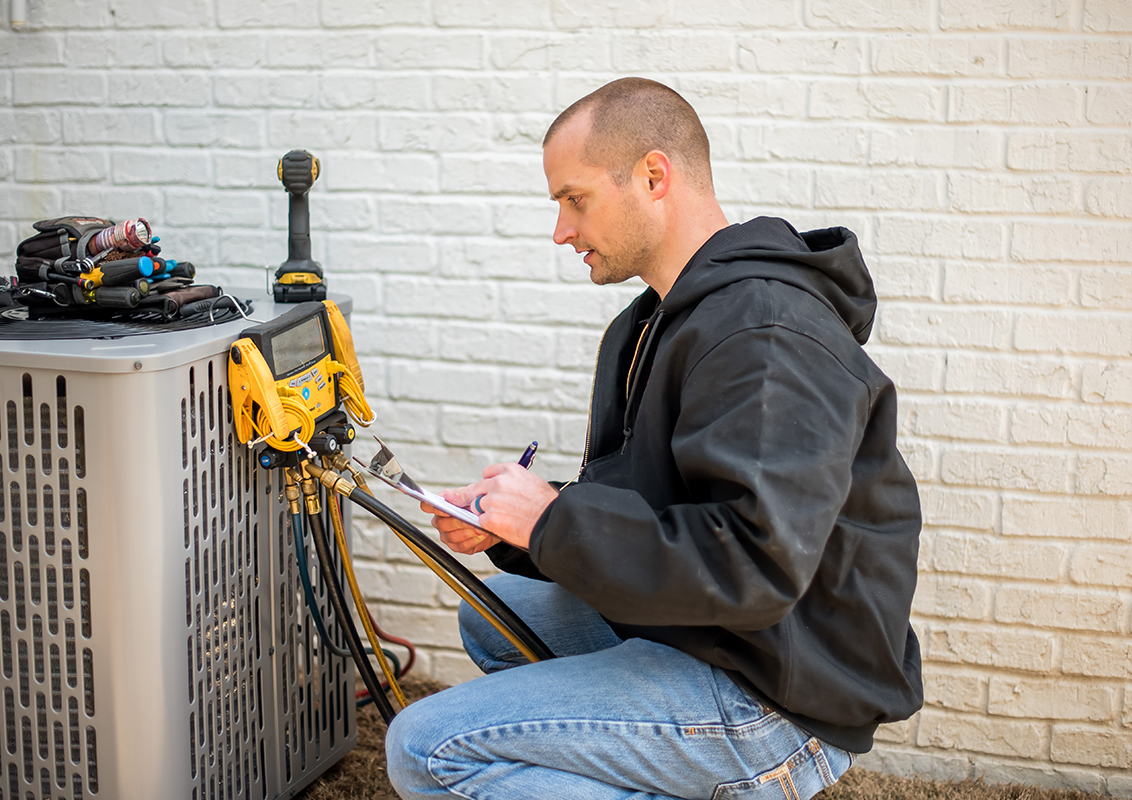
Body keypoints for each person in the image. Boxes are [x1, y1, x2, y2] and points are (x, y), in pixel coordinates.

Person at [385, 77, 923, 800]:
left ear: (652, 175)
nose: (561, 232)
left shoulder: (765, 331)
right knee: (494, 615)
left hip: (777, 691)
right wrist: (519, 527)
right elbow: (644, 508)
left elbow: (754, 565)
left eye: (574, 200)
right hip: (719, 636)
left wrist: (552, 519)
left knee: (425, 749)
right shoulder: (648, 325)